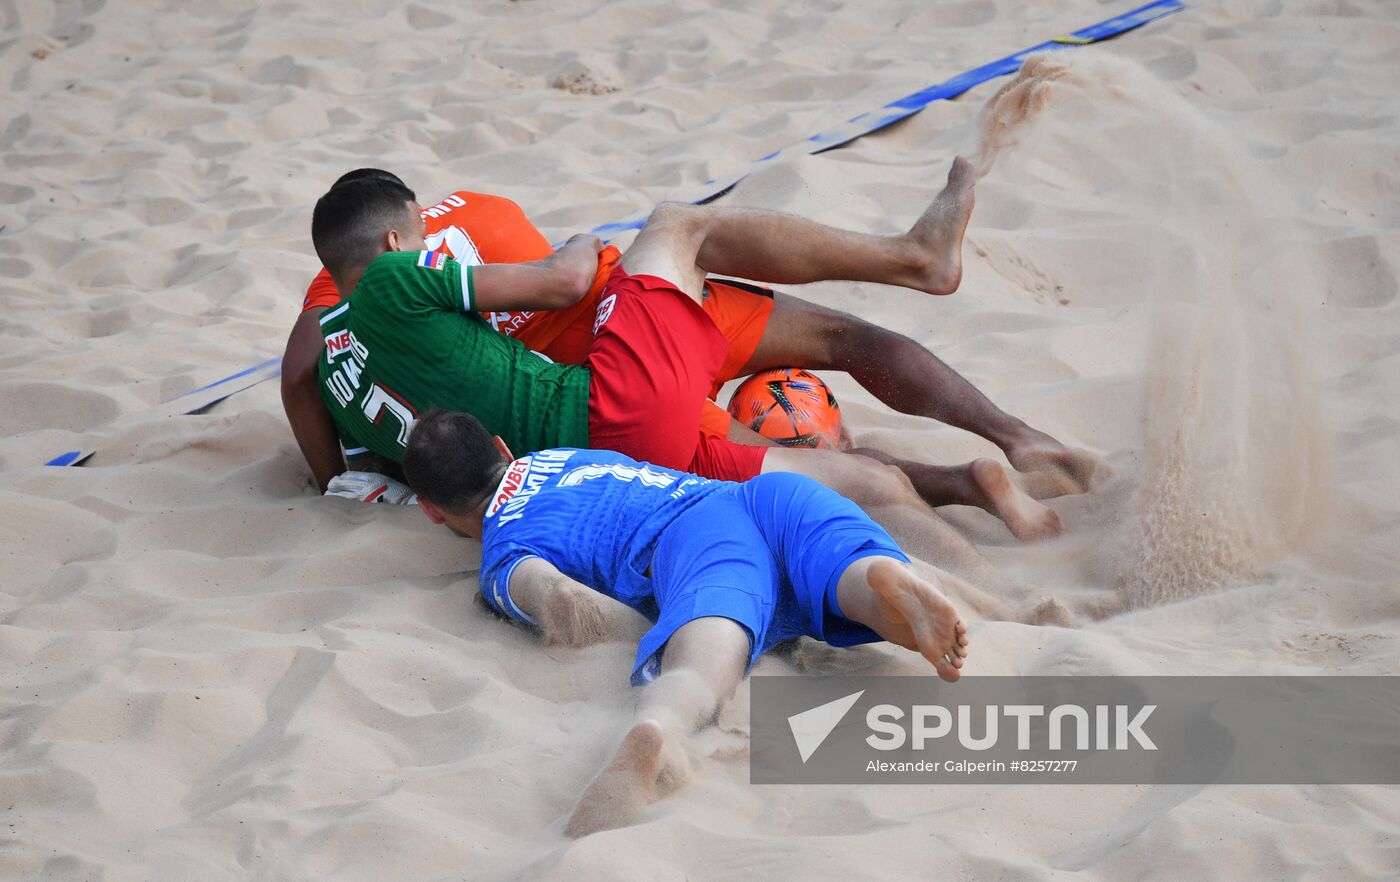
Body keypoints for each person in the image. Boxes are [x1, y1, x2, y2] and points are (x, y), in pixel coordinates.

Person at [308, 160, 1065, 588]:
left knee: (852, 479)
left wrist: (330, 477)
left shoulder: (339, 330)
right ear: (394, 235)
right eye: (419, 227)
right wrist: (581, 237)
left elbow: (299, 380)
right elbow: (566, 282)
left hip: (620, 454)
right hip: (620, 369)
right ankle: (924, 278)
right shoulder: (403, 269)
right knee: (681, 224)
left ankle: (982, 560)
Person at [401, 408, 971, 837]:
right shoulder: (559, 457)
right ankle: (884, 582)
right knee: (838, 560)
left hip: (701, 540)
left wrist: (662, 628)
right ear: (502, 449)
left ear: (431, 509)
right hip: (765, 497)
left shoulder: (505, 550)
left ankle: (661, 726)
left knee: (707, 638)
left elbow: (566, 602)